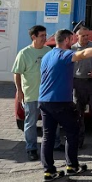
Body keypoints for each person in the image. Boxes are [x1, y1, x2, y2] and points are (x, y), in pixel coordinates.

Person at [39, 29, 92, 182]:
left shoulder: (47, 55)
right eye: (71, 39)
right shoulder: (64, 54)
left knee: (48, 136)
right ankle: (72, 166)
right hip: (60, 101)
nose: (73, 42)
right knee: (73, 131)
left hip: (44, 100)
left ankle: (48, 171)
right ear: (67, 40)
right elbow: (83, 54)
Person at [11, 25, 61, 161]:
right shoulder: (24, 53)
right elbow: (17, 73)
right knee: (31, 123)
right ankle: (31, 148)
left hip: (48, 94)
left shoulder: (48, 51)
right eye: (42, 36)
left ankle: (56, 144)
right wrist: (19, 91)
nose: (45, 38)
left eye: (45, 35)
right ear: (33, 37)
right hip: (31, 94)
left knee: (52, 121)